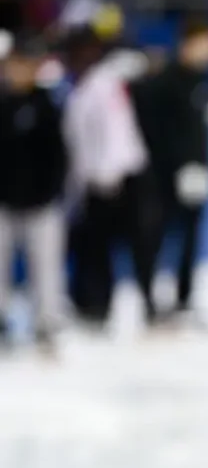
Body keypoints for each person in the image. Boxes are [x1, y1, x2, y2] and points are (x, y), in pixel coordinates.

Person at [61, 25, 160, 327]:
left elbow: (116, 132)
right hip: (95, 182)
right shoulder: (80, 87)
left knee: (134, 245)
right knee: (95, 248)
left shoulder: (104, 84)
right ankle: (96, 305)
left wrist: (108, 175)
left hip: (120, 178)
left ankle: (145, 305)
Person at [132, 17, 208, 322]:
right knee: (155, 238)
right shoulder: (164, 81)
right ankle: (149, 302)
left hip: (196, 174)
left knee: (190, 239)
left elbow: (198, 130)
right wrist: (174, 168)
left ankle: (184, 299)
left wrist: (204, 165)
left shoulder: (202, 80)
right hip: (163, 177)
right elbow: (154, 130)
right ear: (189, 42)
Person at [0, 33, 67, 353]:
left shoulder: (47, 105)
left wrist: (50, 192)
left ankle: (46, 324)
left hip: (41, 202)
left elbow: (59, 155)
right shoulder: (2, 103)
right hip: (4, 201)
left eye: (27, 64)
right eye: (15, 64)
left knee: (46, 268)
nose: (20, 71)